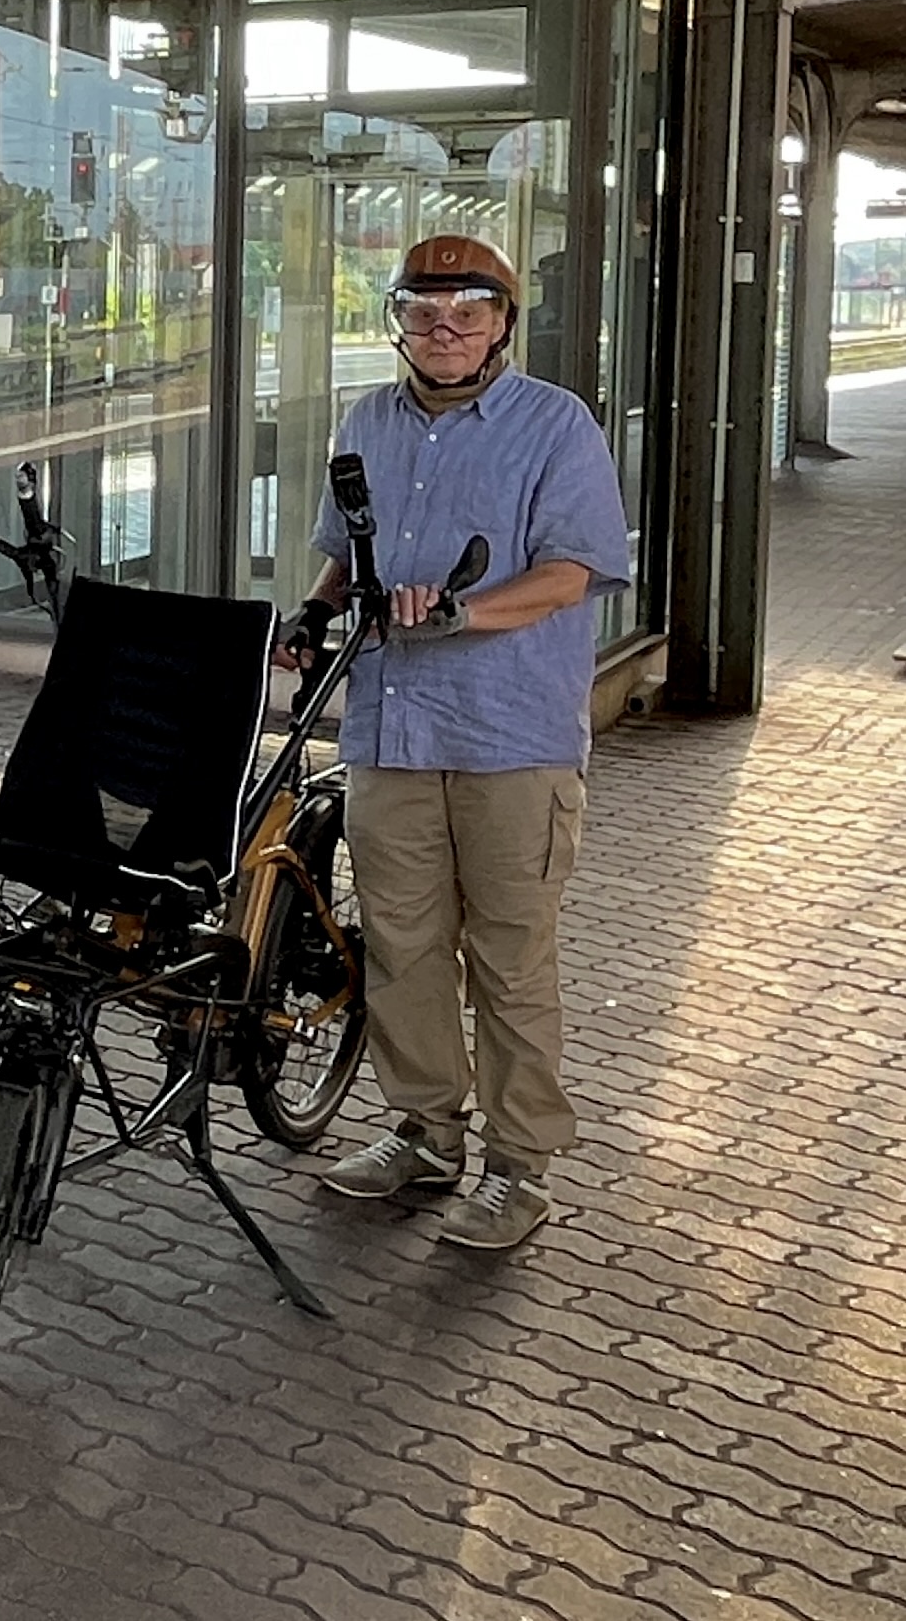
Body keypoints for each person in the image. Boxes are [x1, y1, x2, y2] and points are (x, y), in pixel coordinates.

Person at [275, 233, 629, 1252]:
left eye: (467, 313)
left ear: (502, 324)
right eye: (422, 313)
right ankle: (426, 1133)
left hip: (510, 730)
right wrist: (312, 610)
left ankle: (519, 1168)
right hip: (390, 724)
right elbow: (341, 552)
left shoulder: (554, 426)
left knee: (510, 955)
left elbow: (573, 570)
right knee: (404, 944)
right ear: (398, 323)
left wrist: (460, 617)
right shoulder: (367, 421)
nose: (443, 331)